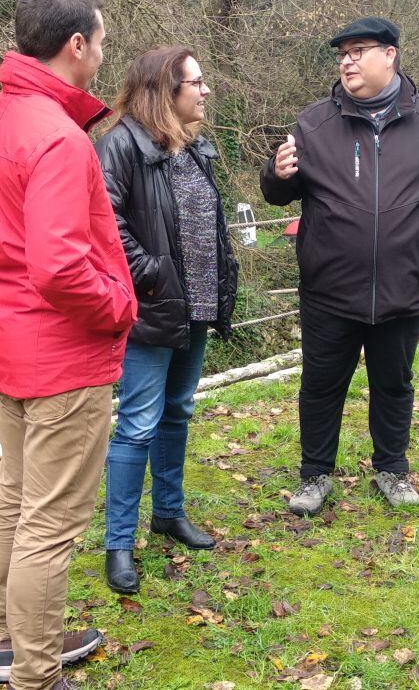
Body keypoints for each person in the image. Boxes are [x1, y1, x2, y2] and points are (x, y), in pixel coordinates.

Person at [0, 0, 136, 690]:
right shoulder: (59, 139)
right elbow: (63, 268)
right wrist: (119, 308)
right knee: (50, 522)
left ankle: (16, 641)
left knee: (13, 497)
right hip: (62, 354)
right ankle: (36, 674)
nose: (102, 54)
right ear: (76, 46)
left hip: (9, 338)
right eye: (100, 42)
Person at [260, 16, 419, 516]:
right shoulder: (315, 123)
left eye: (358, 50)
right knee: (321, 386)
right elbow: (279, 193)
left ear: (389, 55)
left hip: (403, 289)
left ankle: (392, 469)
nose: (346, 60)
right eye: (341, 53)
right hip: (329, 290)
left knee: (394, 385)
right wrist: (274, 174)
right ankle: (314, 475)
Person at [95, 46, 239, 594]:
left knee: (177, 411)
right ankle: (119, 544)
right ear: (165, 91)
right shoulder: (121, 146)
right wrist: (151, 275)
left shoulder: (195, 146)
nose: (204, 91)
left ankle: (169, 513)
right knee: (136, 423)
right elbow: (105, 225)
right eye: (195, 82)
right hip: (153, 309)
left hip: (195, 307)